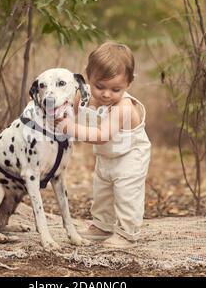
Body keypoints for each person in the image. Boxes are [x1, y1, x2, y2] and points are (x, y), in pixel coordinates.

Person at [56, 42, 151, 248]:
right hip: (107, 156)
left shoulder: (123, 106)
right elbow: (70, 109)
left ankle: (128, 232)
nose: (107, 94)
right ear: (88, 76)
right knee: (102, 192)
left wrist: (68, 127)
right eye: (100, 86)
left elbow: (102, 135)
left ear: (129, 84)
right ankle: (102, 226)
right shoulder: (84, 95)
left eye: (116, 89)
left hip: (131, 155)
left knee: (127, 194)